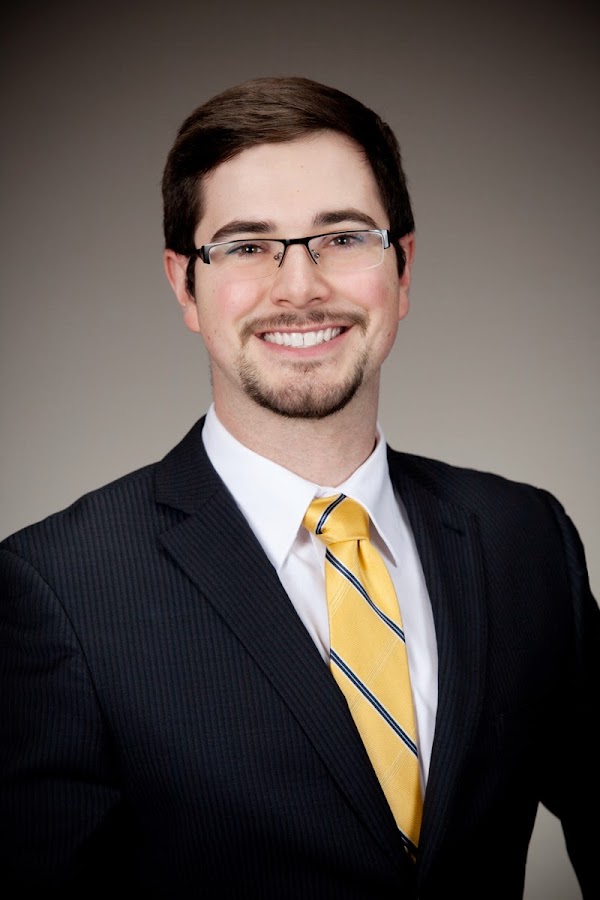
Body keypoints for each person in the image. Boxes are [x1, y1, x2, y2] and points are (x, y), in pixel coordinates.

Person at [0, 76, 598, 900]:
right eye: (247, 247)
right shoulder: (58, 588)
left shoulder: (524, 539)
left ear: (404, 268)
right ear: (184, 286)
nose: (300, 288)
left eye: (342, 237)